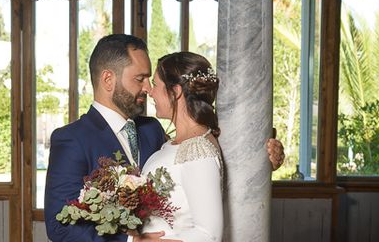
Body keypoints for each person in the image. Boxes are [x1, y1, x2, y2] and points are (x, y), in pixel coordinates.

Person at [44, 34, 283, 242]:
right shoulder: (71, 140)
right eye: (140, 79)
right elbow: (60, 227)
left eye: (150, 79)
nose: (147, 88)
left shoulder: (152, 129)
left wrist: (261, 158)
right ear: (108, 80)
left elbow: (198, 158)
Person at [139, 51, 223, 241]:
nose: (150, 92)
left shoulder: (197, 151)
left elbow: (209, 234)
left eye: (155, 84)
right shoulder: (175, 143)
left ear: (175, 92)